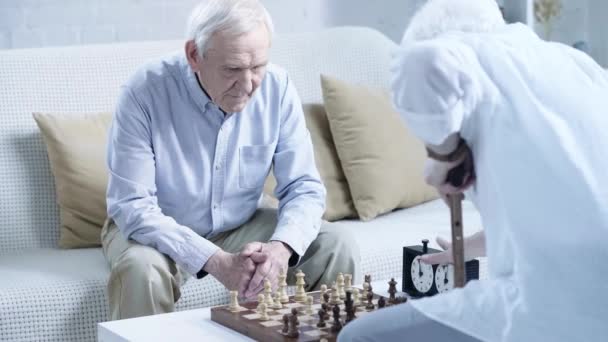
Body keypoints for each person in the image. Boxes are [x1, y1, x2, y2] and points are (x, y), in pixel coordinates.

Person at [340, 0, 608, 341]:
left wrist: (445, 156)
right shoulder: (577, 66)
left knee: (358, 337)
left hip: (554, 301)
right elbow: (570, 211)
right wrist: (469, 247)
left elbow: (422, 64)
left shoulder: (466, 55)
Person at [102, 0, 359, 320]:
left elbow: (304, 186)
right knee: (142, 271)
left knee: (335, 245)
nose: (249, 84)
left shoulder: (278, 88)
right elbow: (132, 206)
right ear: (194, 55)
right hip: (157, 228)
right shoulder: (145, 91)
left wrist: (281, 248)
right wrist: (215, 261)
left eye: (258, 67)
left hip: (242, 221)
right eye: (233, 69)